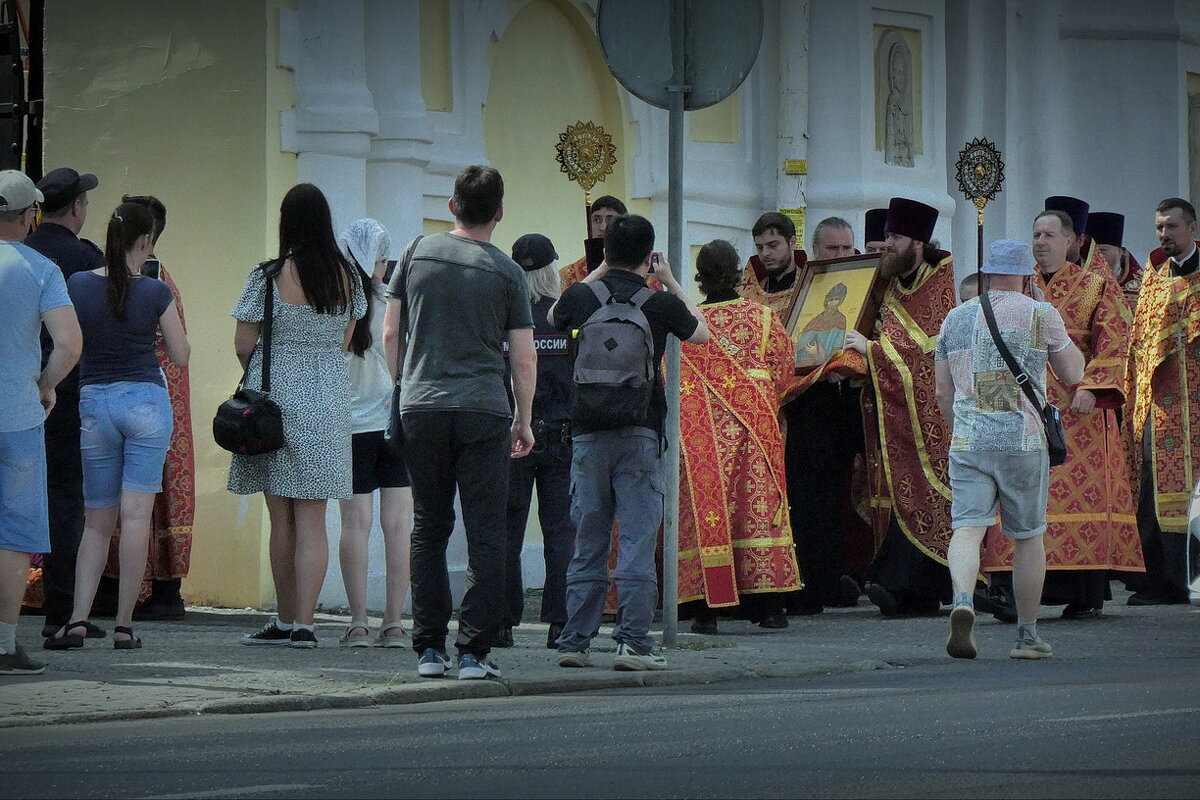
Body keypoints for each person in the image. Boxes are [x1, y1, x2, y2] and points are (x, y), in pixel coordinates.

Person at [383, 165, 536, 681]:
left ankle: (428, 649)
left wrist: (404, 384)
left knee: (428, 525)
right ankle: (473, 651)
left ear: (452, 206)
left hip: (421, 406)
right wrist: (525, 418)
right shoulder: (509, 273)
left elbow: (390, 332)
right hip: (484, 409)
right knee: (485, 532)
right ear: (499, 214)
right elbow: (523, 357)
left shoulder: (415, 254)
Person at [550, 213, 707, 670]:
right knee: (637, 540)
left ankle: (574, 641)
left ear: (605, 251)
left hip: (587, 434)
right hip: (640, 433)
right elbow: (702, 332)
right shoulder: (657, 303)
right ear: (648, 254)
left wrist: (596, 271)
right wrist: (671, 280)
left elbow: (552, 316)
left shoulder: (581, 297)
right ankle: (633, 642)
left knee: (589, 540)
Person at [980, 210, 1143, 619]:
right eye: (1035, 234)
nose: (1039, 242)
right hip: (1020, 408)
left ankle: (1082, 590)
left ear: (1070, 242)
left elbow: (1116, 342)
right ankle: (1008, 590)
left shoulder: (1095, 286)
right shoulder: (1019, 284)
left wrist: (1092, 387)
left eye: (1049, 235)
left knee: (1068, 502)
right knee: (1016, 496)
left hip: (1077, 412)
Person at [43, 202, 190, 651]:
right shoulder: (155, 291)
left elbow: (70, 340)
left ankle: (77, 620)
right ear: (145, 242)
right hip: (145, 402)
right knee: (136, 517)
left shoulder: (78, 285)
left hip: (95, 404)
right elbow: (182, 357)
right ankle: (124, 626)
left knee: (96, 522)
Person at [231, 184, 366, 649]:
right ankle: (306, 626)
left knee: (280, 516)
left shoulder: (267, 275)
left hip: (276, 404)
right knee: (314, 518)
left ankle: (285, 620)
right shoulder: (349, 276)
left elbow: (244, 343)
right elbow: (346, 340)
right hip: (328, 402)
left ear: (287, 222)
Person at [936, 239, 1084, 660]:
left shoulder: (955, 317)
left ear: (985, 273)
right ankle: (1027, 635)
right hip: (1022, 440)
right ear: (1027, 275)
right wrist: (1044, 309)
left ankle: (963, 600)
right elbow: (1074, 372)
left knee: (967, 528)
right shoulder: (1041, 312)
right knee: (1028, 538)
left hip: (969, 439)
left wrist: (959, 430)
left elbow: (942, 390)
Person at [678, 239, 800, 633]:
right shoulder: (764, 319)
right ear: (737, 271)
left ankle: (706, 612)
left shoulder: (689, 323)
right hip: (756, 431)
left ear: (699, 275)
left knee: (707, 517)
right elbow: (784, 371)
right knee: (758, 516)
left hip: (702, 438)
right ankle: (770, 609)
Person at [844, 197, 957, 617]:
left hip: (929, 419)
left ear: (918, 242)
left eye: (894, 237)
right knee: (896, 496)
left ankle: (914, 585)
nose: (886, 244)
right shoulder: (891, 282)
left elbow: (926, 354)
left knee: (928, 495)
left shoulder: (938, 284)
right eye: (886, 235)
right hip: (891, 416)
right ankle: (901, 586)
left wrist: (871, 352)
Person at [93, 194, 195, 622]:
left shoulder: (106, 280)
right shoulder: (160, 280)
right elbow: (181, 351)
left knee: (113, 500)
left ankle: (116, 591)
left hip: (117, 393)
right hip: (162, 393)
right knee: (152, 494)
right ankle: (161, 592)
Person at [0, 171, 80, 674]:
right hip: (17, 416)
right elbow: (70, 345)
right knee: (13, 533)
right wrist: (44, 384)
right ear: (31, 214)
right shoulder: (41, 268)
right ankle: (4, 645)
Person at [22, 167, 104, 640]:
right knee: (67, 500)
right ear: (76, 208)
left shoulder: (21, 255)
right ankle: (61, 611)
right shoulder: (85, 258)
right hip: (68, 393)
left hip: (14, 388)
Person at [336, 218, 413, 648]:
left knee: (355, 524)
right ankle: (395, 623)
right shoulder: (394, 303)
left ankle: (358, 622)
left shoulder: (335, 305)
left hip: (350, 427)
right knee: (398, 524)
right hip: (394, 423)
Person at [1125, 197, 1200, 605]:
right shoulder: (1153, 279)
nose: (1164, 235)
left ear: (1191, 229)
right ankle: (1160, 580)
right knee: (1154, 486)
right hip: (1160, 407)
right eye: (1159, 228)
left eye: (1171, 226)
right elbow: (1139, 341)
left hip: (1196, 404)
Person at [502, 233, 575, 650]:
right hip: (561, 438)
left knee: (506, 532)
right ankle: (559, 624)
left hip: (511, 436)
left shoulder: (504, 320)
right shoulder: (564, 318)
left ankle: (502, 623)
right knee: (560, 533)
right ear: (551, 271)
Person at [738, 212, 807, 317]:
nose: (765, 253)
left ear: (792, 243)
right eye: (760, 247)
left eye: (773, 245)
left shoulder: (807, 287)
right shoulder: (751, 291)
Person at [559, 195, 626, 291]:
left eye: (610, 220)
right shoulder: (569, 275)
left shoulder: (641, 270)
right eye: (597, 220)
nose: (602, 227)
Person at [1088, 211, 1143, 311]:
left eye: (1102, 251)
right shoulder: (1078, 281)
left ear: (1120, 252)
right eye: (1091, 251)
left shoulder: (1142, 289)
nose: (1096, 257)